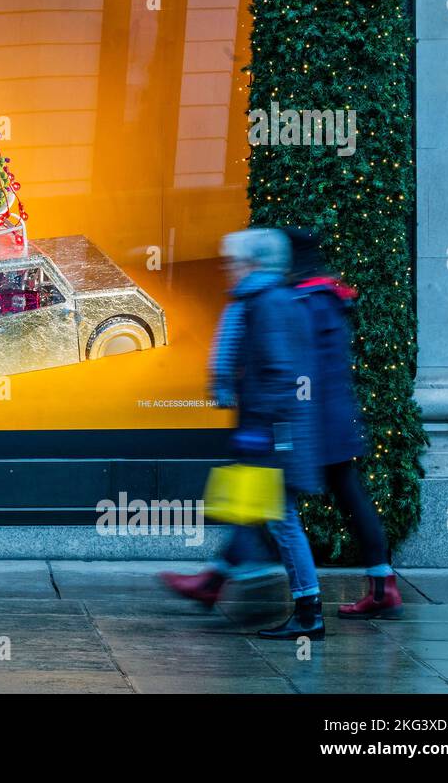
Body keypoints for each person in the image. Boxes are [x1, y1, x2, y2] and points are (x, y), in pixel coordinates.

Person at [160, 228, 326, 639]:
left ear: (253, 263)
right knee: (251, 509)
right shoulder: (266, 299)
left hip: (274, 432)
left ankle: (309, 613)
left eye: (233, 262)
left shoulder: (267, 303)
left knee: (282, 519)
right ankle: (214, 582)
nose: (228, 269)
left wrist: (259, 429)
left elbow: (278, 371)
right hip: (274, 429)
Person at [282, 227, 402, 619]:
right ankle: (383, 585)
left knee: (276, 500)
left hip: (315, 422)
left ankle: (222, 578)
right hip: (335, 419)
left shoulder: (307, 300)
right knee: (350, 495)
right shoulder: (328, 296)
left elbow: (302, 366)